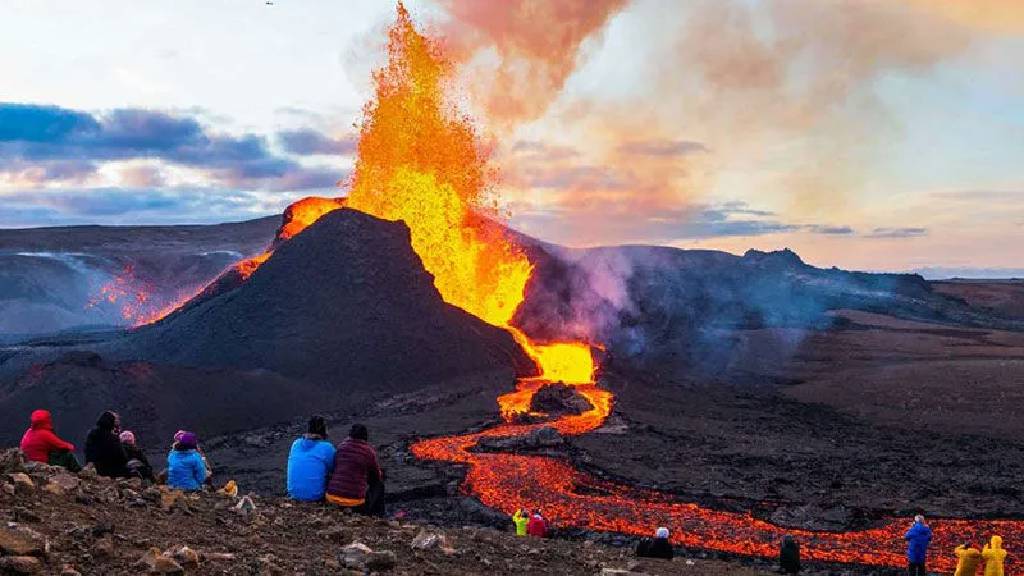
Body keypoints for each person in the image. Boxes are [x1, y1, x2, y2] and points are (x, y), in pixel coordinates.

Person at [326, 424, 384, 516]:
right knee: (379, 484)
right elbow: (377, 475)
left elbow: (334, 467)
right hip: (354, 503)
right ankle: (376, 515)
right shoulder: (368, 451)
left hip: (331, 498)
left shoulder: (340, 447)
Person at [286, 415, 336, 501]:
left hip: (293, 494)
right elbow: (334, 467)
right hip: (315, 496)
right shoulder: (326, 448)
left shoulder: (296, 443)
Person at [85, 411, 129, 477]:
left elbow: (89, 451)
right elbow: (122, 456)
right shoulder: (112, 438)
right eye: (116, 419)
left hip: (97, 469)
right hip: (113, 471)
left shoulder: (92, 435)